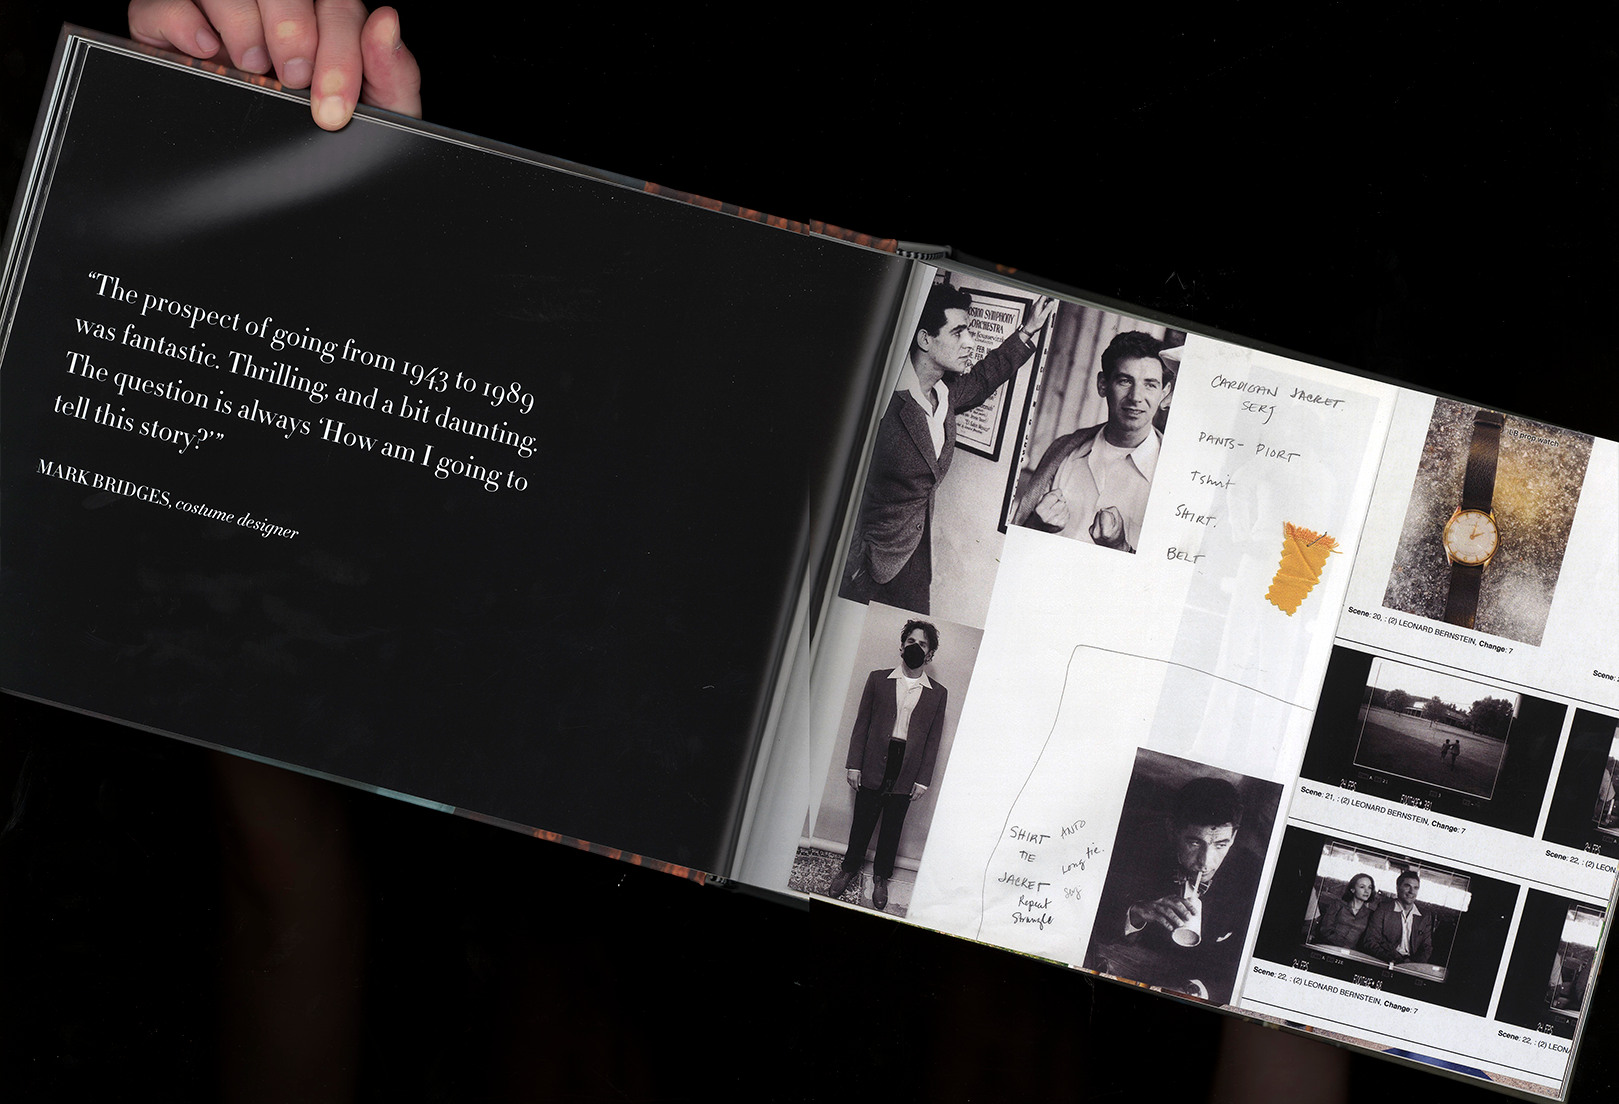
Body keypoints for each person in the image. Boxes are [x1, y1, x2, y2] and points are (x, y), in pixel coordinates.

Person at [840, 284, 1057, 613]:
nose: (970, 341)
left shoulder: (945, 394)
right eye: (958, 332)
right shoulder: (883, 404)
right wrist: (851, 566)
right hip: (868, 567)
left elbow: (984, 378)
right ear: (925, 340)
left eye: (968, 330)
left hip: (915, 560)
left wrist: (1028, 330)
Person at [1083, 776, 1261, 1004]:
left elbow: (1242, 963)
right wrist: (1135, 914)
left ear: (1234, 836)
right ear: (1171, 829)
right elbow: (1092, 921)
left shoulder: (1252, 874)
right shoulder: (1136, 849)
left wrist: (1196, 990)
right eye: (1194, 843)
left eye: (1220, 845)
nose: (1206, 862)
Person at [823, 620, 948, 912]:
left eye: (923, 644)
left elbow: (933, 740)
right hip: (874, 760)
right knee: (862, 820)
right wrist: (854, 764)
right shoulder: (878, 679)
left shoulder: (938, 693)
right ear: (902, 646)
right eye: (911, 641)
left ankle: (881, 878)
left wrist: (923, 779)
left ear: (930, 654)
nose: (915, 647)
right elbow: (862, 724)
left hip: (907, 766)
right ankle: (848, 869)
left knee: (893, 826)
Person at [1011, 330, 1174, 552]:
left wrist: (1120, 547)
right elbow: (1019, 542)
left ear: (1164, 393)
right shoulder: (1063, 452)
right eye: (1125, 381)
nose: (1136, 397)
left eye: (1150, 385)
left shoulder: (1172, 475)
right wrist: (1035, 526)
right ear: (1103, 385)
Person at [1359, 869, 1433, 964]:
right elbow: (1370, 941)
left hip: (1412, 964)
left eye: (1415, 888)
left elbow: (1426, 948)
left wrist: (1411, 964)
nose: (1411, 891)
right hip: (1387, 960)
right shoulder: (1383, 909)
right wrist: (1393, 960)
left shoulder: (1424, 916)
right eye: (1407, 886)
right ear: (1398, 888)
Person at [1313, 873, 1379, 948]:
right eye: (1362, 887)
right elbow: (1325, 929)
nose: (1367, 891)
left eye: (1370, 887)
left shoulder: (1371, 914)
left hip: (1352, 952)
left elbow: (1367, 940)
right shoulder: (1337, 905)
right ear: (1352, 889)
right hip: (1328, 947)